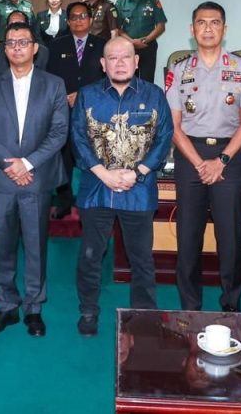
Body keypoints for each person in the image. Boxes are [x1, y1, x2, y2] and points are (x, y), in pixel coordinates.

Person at [166, 2, 241, 312]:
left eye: (215, 22)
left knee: (231, 238)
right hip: (190, 156)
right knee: (188, 237)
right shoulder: (178, 70)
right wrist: (199, 164)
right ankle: (190, 308)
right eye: (201, 22)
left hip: (229, 157)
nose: (208, 28)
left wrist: (220, 161)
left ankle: (231, 304)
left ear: (225, 28)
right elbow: (173, 126)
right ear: (192, 29)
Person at [72, 37, 173, 337]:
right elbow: (77, 138)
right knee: (91, 255)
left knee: (141, 259)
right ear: (103, 64)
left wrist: (137, 172)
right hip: (96, 187)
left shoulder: (154, 95)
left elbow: (164, 137)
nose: (119, 63)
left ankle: (143, 315)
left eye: (125, 57)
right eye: (112, 58)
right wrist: (103, 173)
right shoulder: (88, 95)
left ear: (136, 61)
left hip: (138, 190)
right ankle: (88, 310)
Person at [0, 21, 69, 337]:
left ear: (35, 48)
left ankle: (34, 308)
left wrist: (27, 163)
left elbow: (59, 132)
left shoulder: (53, 84)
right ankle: (6, 305)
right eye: (11, 42)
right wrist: (11, 164)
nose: (16, 47)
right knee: (0, 245)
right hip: (0, 178)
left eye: (23, 42)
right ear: (4, 49)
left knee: (35, 244)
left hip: (36, 177)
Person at [46, 1, 107, 218]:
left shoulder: (103, 45)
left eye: (82, 16)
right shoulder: (56, 46)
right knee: (64, 158)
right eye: (73, 16)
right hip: (63, 110)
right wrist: (63, 97)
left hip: (94, 112)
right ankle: (64, 201)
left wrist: (82, 95)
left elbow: (108, 79)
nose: (78, 20)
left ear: (90, 20)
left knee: (93, 156)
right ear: (68, 21)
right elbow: (49, 78)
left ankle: (91, 201)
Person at [116, 0, 167, 83]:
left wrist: (144, 41)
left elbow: (161, 26)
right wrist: (132, 42)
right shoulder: (121, 2)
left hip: (148, 47)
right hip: (127, 48)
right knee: (127, 81)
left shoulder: (153, 0)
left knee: (147, 82)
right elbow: (117, 28)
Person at [0, 10, 49, 78]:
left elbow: (46, 80)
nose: (16, 28)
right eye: (12, 24)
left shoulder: (42, 52)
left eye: (20, 24)